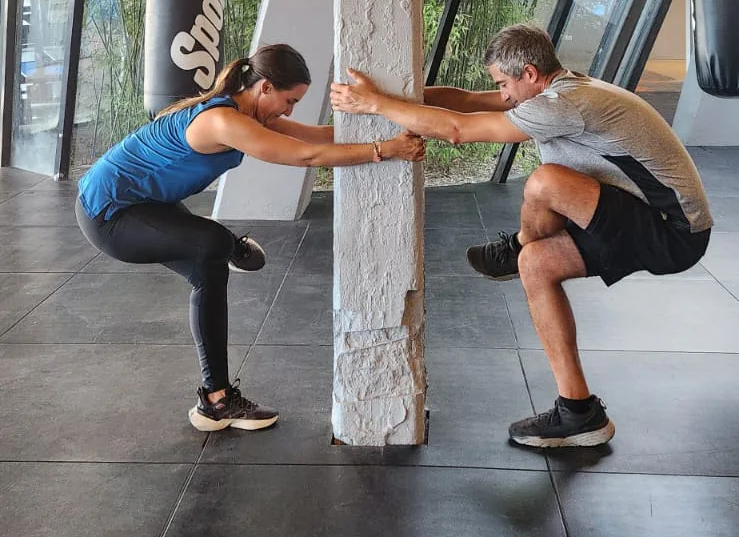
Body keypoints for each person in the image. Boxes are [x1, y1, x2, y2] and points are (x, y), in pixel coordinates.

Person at [330, 23, 712, 449]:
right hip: (632, 218)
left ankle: (517, 245)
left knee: (544, 182)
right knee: (537, 266)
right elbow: (467, 102)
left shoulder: (566, 103)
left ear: (529, 73)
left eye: (504, 83)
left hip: (672, 228)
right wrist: (394, 92)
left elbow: (457, 129)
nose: (503, 94)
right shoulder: (552, 89)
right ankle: (579, 412)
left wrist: (375, 105)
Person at [76, 43, 424, 434]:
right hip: (109, 213)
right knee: (209, 244)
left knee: (208, 273)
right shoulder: (225, 122)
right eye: (289, 100)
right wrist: (384, 150)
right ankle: (232, 247)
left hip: (147, 205)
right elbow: (304, 158)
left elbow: (318, 138)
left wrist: (386, 116)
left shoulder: (245, 112)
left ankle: (216, 401)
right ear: (265, 88)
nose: (289, 111)